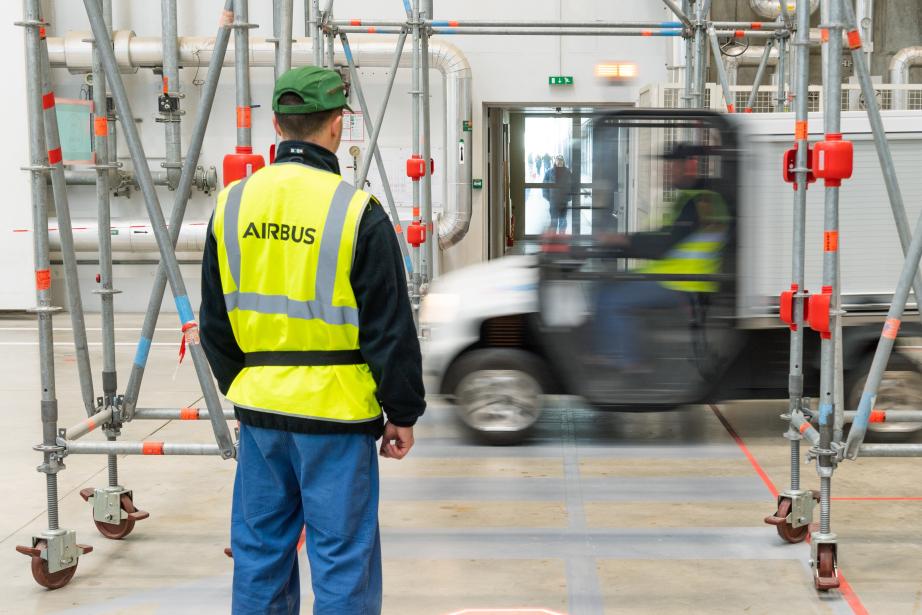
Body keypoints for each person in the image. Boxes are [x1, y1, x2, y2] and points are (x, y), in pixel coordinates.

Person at [199, 65, 425, 614]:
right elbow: (388, 327)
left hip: (261, 415)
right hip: (337, 418)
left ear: (277, 124)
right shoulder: (356, 213)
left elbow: (214, 322)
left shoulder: (230, 205)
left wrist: (250, 382)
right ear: (337, 128)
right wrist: (402, 411)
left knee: (260, 552)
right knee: (343, 555)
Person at [594, 143, 728, 368]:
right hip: (674, 279)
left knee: (610, 298)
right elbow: (663, 236)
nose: (666, 170)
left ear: (691, 165)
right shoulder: (691, 198)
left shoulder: (700, 203)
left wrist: (621, 241)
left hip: (685, 286)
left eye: (672, 165)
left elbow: (662, 245)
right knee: (608, 284)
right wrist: (622, 242)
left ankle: (628, 363)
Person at [542, 155, 573, 234]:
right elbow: (544, 186)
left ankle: (561, 236)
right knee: (554, 220)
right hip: (553, 200)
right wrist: (548, 197)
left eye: (561, 160)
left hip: (564, 200)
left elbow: (572, 184)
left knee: (563, 220)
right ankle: (553, 237)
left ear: (563, 162)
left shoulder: (568, 171)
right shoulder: (549, 172)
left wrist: (569, 197)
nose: (559, 162)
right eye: (558, 160)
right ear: (555, 161)